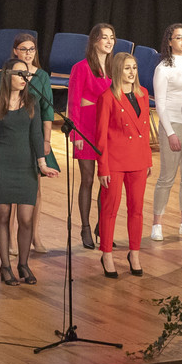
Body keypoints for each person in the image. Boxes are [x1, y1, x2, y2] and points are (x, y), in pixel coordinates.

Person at [0, 60, 60, 286]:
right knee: (3, 215)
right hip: (2, 164)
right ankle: (5, 266)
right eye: (19, 74)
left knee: (26, 218)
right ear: (7, 76)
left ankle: (23, 264)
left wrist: (42, 164)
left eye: (26, 74)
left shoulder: (31, 102)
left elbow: (36, 136)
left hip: (26, 165)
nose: (24, 78)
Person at [94, 52, 153, 277]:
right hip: (115, 162)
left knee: (136, 209)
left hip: (138, 160)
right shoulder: (107, 97)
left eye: (134, 68)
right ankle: (107, 254)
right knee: (110, 209)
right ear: (118, 70)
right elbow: (100, 136)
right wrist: (103, 167)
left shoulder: (143, 93)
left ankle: (134, 253)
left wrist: (147, 159)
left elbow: (145, 129)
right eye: (127, 68)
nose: (132, 72)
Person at [66, 22, 116, 250]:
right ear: (95, 40)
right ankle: (85, 227)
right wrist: (75, 131)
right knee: (87, 179)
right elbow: (74, 101)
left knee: (107, 181)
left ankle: (102, 226)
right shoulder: (82, 67)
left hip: (109, 129)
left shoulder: (115, 67)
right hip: (86, 127)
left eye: (112, 37)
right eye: (104, 37)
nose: (109, 41)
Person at [7, 32, 58, 251]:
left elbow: (47, 111)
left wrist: (46, 140)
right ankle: (10, 238)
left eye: (32, 49)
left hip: (34, 136)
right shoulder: (7, 75)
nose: (28, 53)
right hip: (12, 137)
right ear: (15, 51)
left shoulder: (42, 77)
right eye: (24, 49)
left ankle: (34, 236)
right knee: (10, 191)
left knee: (34, 189)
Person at [150, 23, 182, 241]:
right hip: (173, 124)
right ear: (170, 42)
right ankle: (157, 224)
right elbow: (160, 104)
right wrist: (170, 132)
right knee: (167, 177)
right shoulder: (163, 68)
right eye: (179, 37)